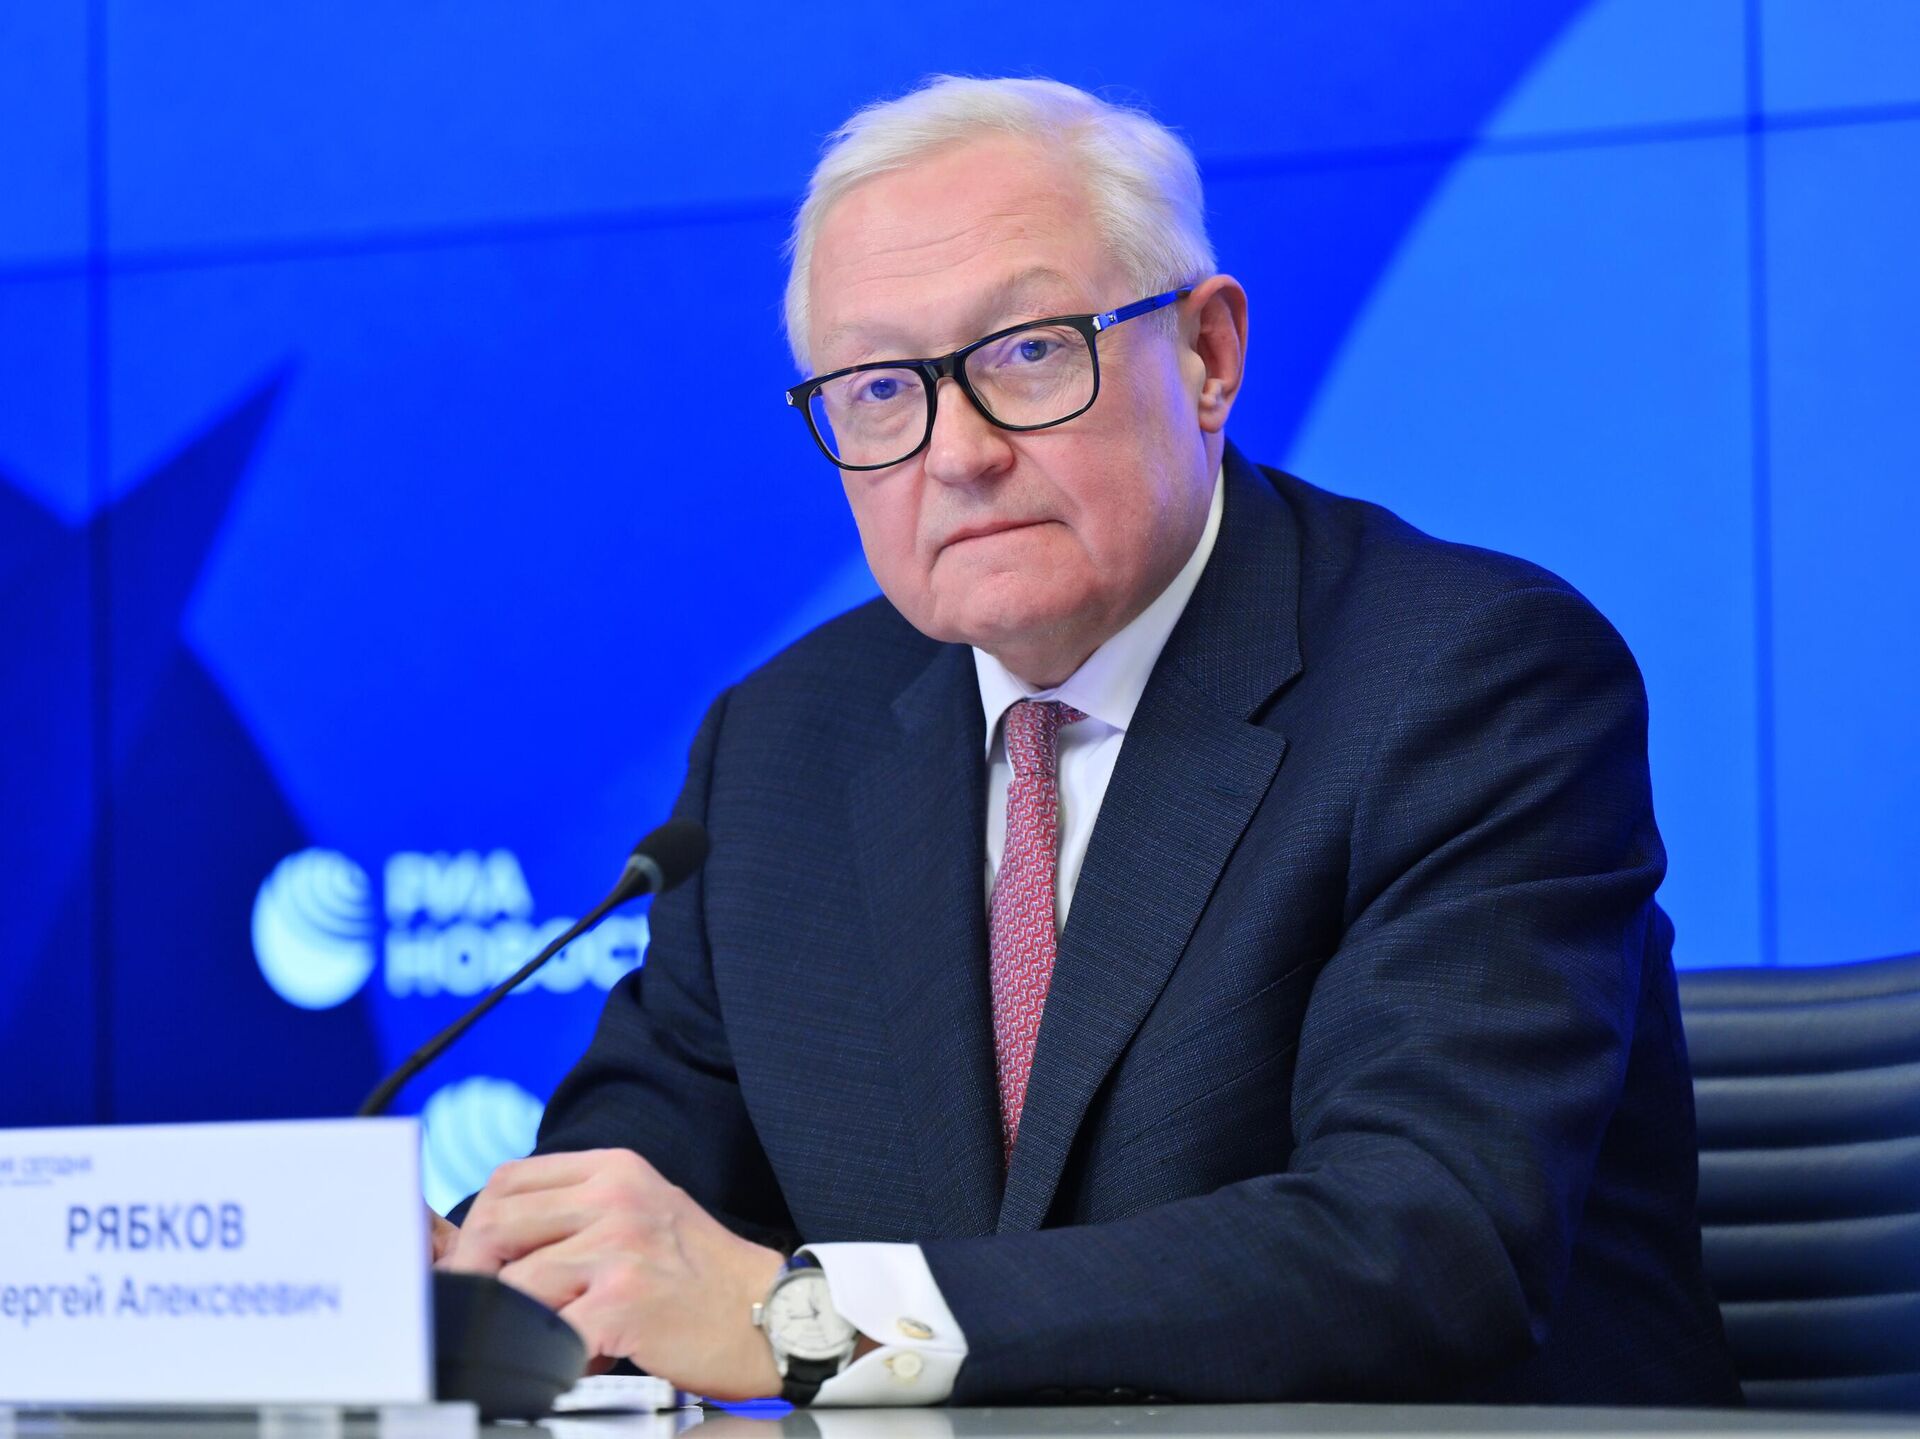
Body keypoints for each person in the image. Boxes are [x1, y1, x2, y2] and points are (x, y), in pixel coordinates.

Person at [437, 75, 1740, 1408]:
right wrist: (464, 1281)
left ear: (1207, 355)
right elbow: (643, 1186)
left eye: (1028, 352)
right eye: (879, 388)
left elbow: (1424, 1239)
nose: (957, 453)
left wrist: (810, 1325)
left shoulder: (1470, 678)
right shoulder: (784, 744)